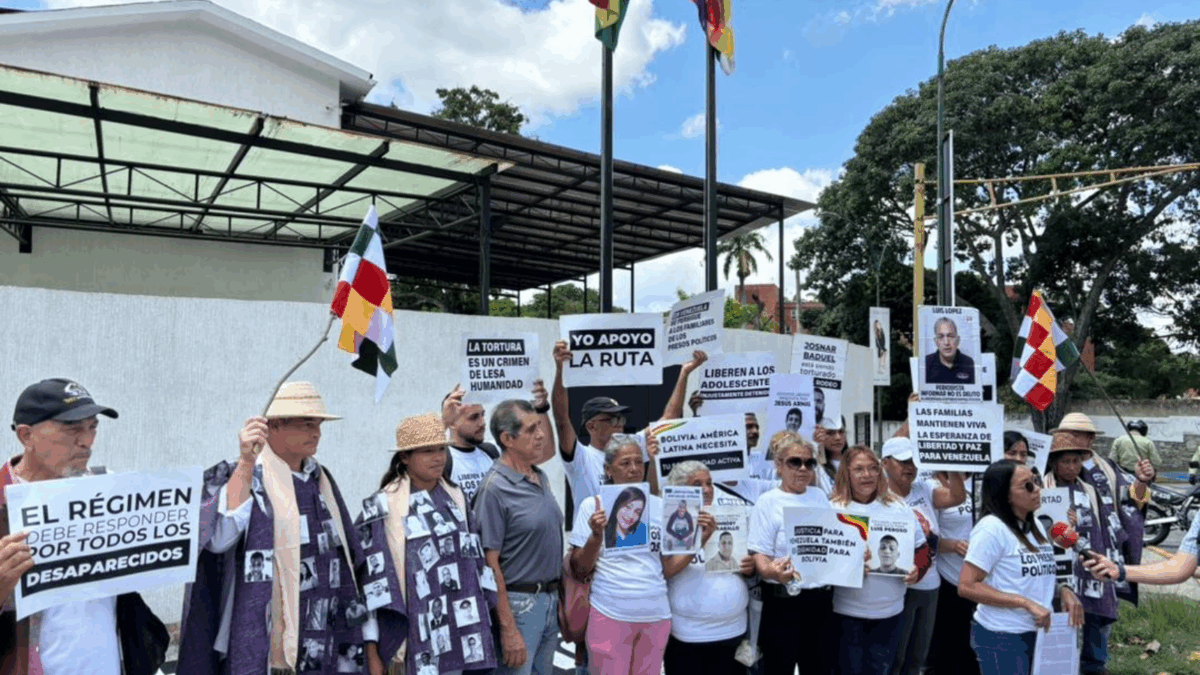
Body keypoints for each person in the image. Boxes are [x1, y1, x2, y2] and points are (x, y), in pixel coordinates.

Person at [178, 381, 364, 675]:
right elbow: (219, 538)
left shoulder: (320, 478)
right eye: (306, 424)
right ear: (273, 427)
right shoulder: (246, 473)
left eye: (318, 424)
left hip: (323, 632)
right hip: (268, 641)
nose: (316, 432)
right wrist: (246, 461)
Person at [1, 378, 165, 675]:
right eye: (73, 429)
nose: (87, 440)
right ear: (26, 436)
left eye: (92, 427)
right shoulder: (3, 504)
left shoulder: (109, 491)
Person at [359, 412, 496, 674]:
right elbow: (369, 583)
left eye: (441, 450)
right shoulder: (383, 506)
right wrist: (372, 650)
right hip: (412, 639)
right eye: (427, 451)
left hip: (459, 636)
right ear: (405, 457)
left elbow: (476, 563)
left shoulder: (456, 497)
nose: (438, 458)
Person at [1043, 413, 1151, 675]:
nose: (1072, 465)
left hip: (1096, 556)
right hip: (1063, 563)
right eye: (1068, 434)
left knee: (1097, 614)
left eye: (1081, 436)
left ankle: (1094, 665)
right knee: (1061, 617)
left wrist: (1142, 481)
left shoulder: (1105, 470)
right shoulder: (1043, 482)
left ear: (1090, 439)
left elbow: (1130, 500)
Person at [959, 460, 1083, 675]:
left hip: (1040, 632)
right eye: (1027, 486)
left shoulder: (1035, 528)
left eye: (1036, 481)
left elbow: (1037, 577)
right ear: (1006, 494)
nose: (1037, 489)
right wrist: (1025, 603)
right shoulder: (991, 529)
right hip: (1003, 636)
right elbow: (967, 586)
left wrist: (1064, 590)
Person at [570, 434, 675, 675]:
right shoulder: (592, 506)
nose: (634, 469)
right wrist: (596, 536)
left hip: (656, 614)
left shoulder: (659, 506)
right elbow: (580, 569)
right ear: (608, 469)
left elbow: (667, 566)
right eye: (625, 463)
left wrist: (702, 538)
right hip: (610, 611)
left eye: (639, 462)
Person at [551, 343, 705, 507]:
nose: (619, 426)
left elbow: (668, 419)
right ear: (591, 426)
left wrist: (684, 373)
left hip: (632, 531)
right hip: (592, 532)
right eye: (612, 420)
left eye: (621, 419)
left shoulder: (630, 446)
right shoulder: (581, 457)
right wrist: (561, 371)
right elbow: (561, 419)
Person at [475, 399, 563, 675]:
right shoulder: (494, 489)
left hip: (549, 601)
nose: (541, 435)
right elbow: (490, 564)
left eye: (539, 427)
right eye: (530, 430)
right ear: (507, 439)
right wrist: (508, 628)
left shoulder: (540, 476)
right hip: (518, 606)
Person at [829, 445, 927, 675]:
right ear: (846, 473)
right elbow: (822, 565)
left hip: (890, 614)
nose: (867, 475)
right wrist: (849, 566)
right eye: (859, 469)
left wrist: (919, 570)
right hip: (846, 614)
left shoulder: (898, 507)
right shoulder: (832, 509)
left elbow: (923, 549)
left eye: (873, 468)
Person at [746, 435, 834, 675]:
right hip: (782, 603)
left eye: (810, 463)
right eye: (795, 462)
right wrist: (771, 571)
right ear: (779, 465)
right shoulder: (767, 502)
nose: (803, 468)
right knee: (778, 668)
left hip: (820, 603)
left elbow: (833, 543)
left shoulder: (819, 497)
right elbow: (760, 556)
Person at [881, 436, 965, 675]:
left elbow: (957, 497)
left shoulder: (924, 487)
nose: (910, 467)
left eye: (914, 462)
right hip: (899, 585)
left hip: (930, 585)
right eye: (903, 461)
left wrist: (954, 467)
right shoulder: (878, 495)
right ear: (885, 463)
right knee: (896, 657)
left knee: (919, 656)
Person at [662, 460, 755, 674]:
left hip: (733, 632)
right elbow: (669, 569)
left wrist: (750, 567)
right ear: (680, 489)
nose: (706, 489)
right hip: (689, 636)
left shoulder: (733, 514)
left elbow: (749, 568)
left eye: (709, 483)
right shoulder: (672, 521)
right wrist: (700, 540)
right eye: (697, 484)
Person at [440, 380, 555, 502]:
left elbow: (545, 452)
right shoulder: (444, 458)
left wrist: (541, 408)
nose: (482, 423)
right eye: (473, 417)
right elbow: (419, 475)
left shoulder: (492, 451)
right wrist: (443, 422)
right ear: (452, 423)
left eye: (482, 415)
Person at [925, 316, 976, 384]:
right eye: (941, 337)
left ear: (958, 340)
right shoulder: (926, 363)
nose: (946, 342)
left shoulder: (970, 363)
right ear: (936, 341)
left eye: (951, 336)